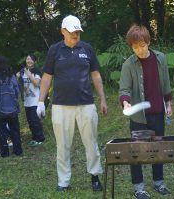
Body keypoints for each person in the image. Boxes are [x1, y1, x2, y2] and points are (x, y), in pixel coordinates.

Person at [36, 15, 108, 192]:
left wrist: (103, 99)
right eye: (72, 32)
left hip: (86, 105)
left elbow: (96, 75)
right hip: (61, 106)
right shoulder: (55, 50)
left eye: (78, 32)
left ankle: (95, 176)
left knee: (91, 142)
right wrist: (40, 101)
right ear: (63, 31)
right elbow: (46, 77)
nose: (76, 35)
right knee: (63, 145)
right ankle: (63, 181)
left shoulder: (87, 48)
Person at [119, 24, 172, 199]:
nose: (139, 50)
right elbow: (124, 90)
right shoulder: (129, 64)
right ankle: (139, 187)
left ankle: (159, 182)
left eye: (142, 45)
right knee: (137, 151)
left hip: (157, 111)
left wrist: (168, 103)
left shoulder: (160, 58)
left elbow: (165, 83)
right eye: (135, 47)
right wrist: (126, 103)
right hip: (138, 116)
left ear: (148, 42)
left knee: (157, 149)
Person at [0, 56, 22, 157]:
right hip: (13, 109)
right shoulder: (11, 76)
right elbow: (17, 91)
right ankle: (18, 150)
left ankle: (4, 153)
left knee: (1, 132)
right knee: (15, 130)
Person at [17, 54, 45, 146]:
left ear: (34, 61)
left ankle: (40, 139)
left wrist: (30, 76)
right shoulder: (22, 71)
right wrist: (18, 78)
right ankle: (34, 138)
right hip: (27, 101)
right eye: (27, 59)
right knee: (30, 121)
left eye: (31, 59)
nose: (28, 61)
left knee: (35, 120)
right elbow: (20, 85)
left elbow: (37, 84)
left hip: (35, 101)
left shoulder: (36, 71)